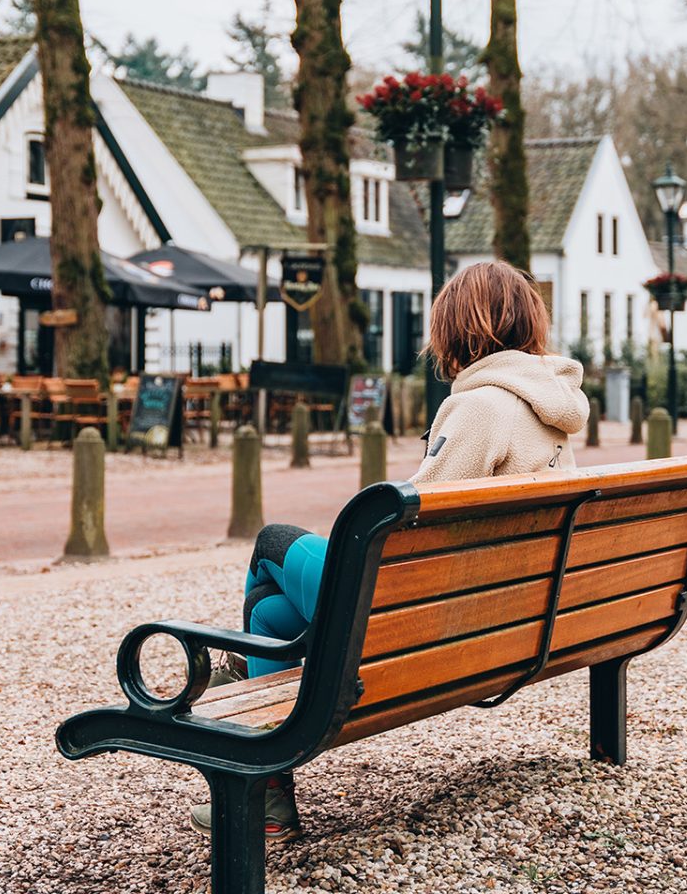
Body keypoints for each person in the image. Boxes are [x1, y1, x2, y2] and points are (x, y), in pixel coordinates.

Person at [192, 261, 590, 844]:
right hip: (508, 619)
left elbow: (411, 527)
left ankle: (256, 752)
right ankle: (260, 761)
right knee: (272, 616)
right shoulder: (555, 408)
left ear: (458, 331)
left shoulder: (482, 408)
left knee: (271, 544)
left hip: (419, 621)